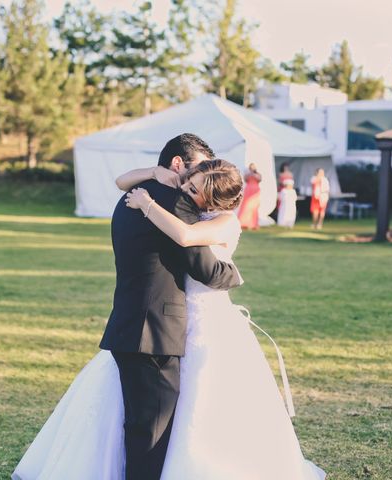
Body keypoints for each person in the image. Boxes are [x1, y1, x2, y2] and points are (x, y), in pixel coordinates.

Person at [11, 134, 243, 480]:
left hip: (131, 322)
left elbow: (126, 189)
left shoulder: (128, 197)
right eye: (197, 170)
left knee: (137, 422)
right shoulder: (173, 205)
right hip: (157, 332)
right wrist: (234, 275)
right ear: (179, 164)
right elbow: (204, 267)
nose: (199, 178)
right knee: (152, 429)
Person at [124, 159, 325, 479]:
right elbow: (123, 180)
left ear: (215, 200)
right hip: (177, 315)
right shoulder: (189, 202)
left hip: (208, 318)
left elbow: (187, 237)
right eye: (190, 182)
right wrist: (152, 173)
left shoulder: (225, 222)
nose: (187, 190)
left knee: (205, 399)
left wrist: (147, 204)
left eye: (195, 189)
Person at [237, 162, 262, 230]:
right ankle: (244, 223)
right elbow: (245, 179)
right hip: (249, 189)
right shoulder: (248, 174)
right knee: (246, 206)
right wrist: (250, 173)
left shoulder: (258, 174)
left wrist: (254, 174)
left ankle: (254, 224)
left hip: (255, 190)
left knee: (254, 207)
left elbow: (259, 179)